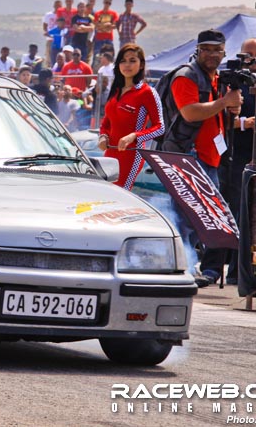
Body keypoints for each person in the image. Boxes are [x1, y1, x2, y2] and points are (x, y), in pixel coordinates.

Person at [201, 37, 256, 284]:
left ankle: (237, 273)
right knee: (223, 211)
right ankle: (212, 267)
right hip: (231, 155)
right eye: (247, 54)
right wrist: (243, 123)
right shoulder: (227, 81)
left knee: (251, 216)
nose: (252, 60)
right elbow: (217, 116)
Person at [160, 29, 243, 286]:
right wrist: (224, 102)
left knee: (205, 217)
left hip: (209, 158)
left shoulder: (216, 78)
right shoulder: (187, 76)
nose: (212, 54)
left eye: (217, 49)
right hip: (188, 157)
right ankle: (178, 267)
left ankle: (194, 268)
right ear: (198, 50)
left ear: (224, 53)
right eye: (206, 49)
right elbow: (190, 113)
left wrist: (232, 108)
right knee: (185, 216)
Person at [98, 44, 164, 190]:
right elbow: (106, 122)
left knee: (119, 195)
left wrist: (133, 136)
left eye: (132, 60)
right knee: (103, 194)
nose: (127, 65)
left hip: (132, 155)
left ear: (141, 65)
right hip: (109, 153)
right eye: (123, 60)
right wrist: (103, 136)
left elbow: (160, 128)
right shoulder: (115, 90)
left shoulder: (147, 92)